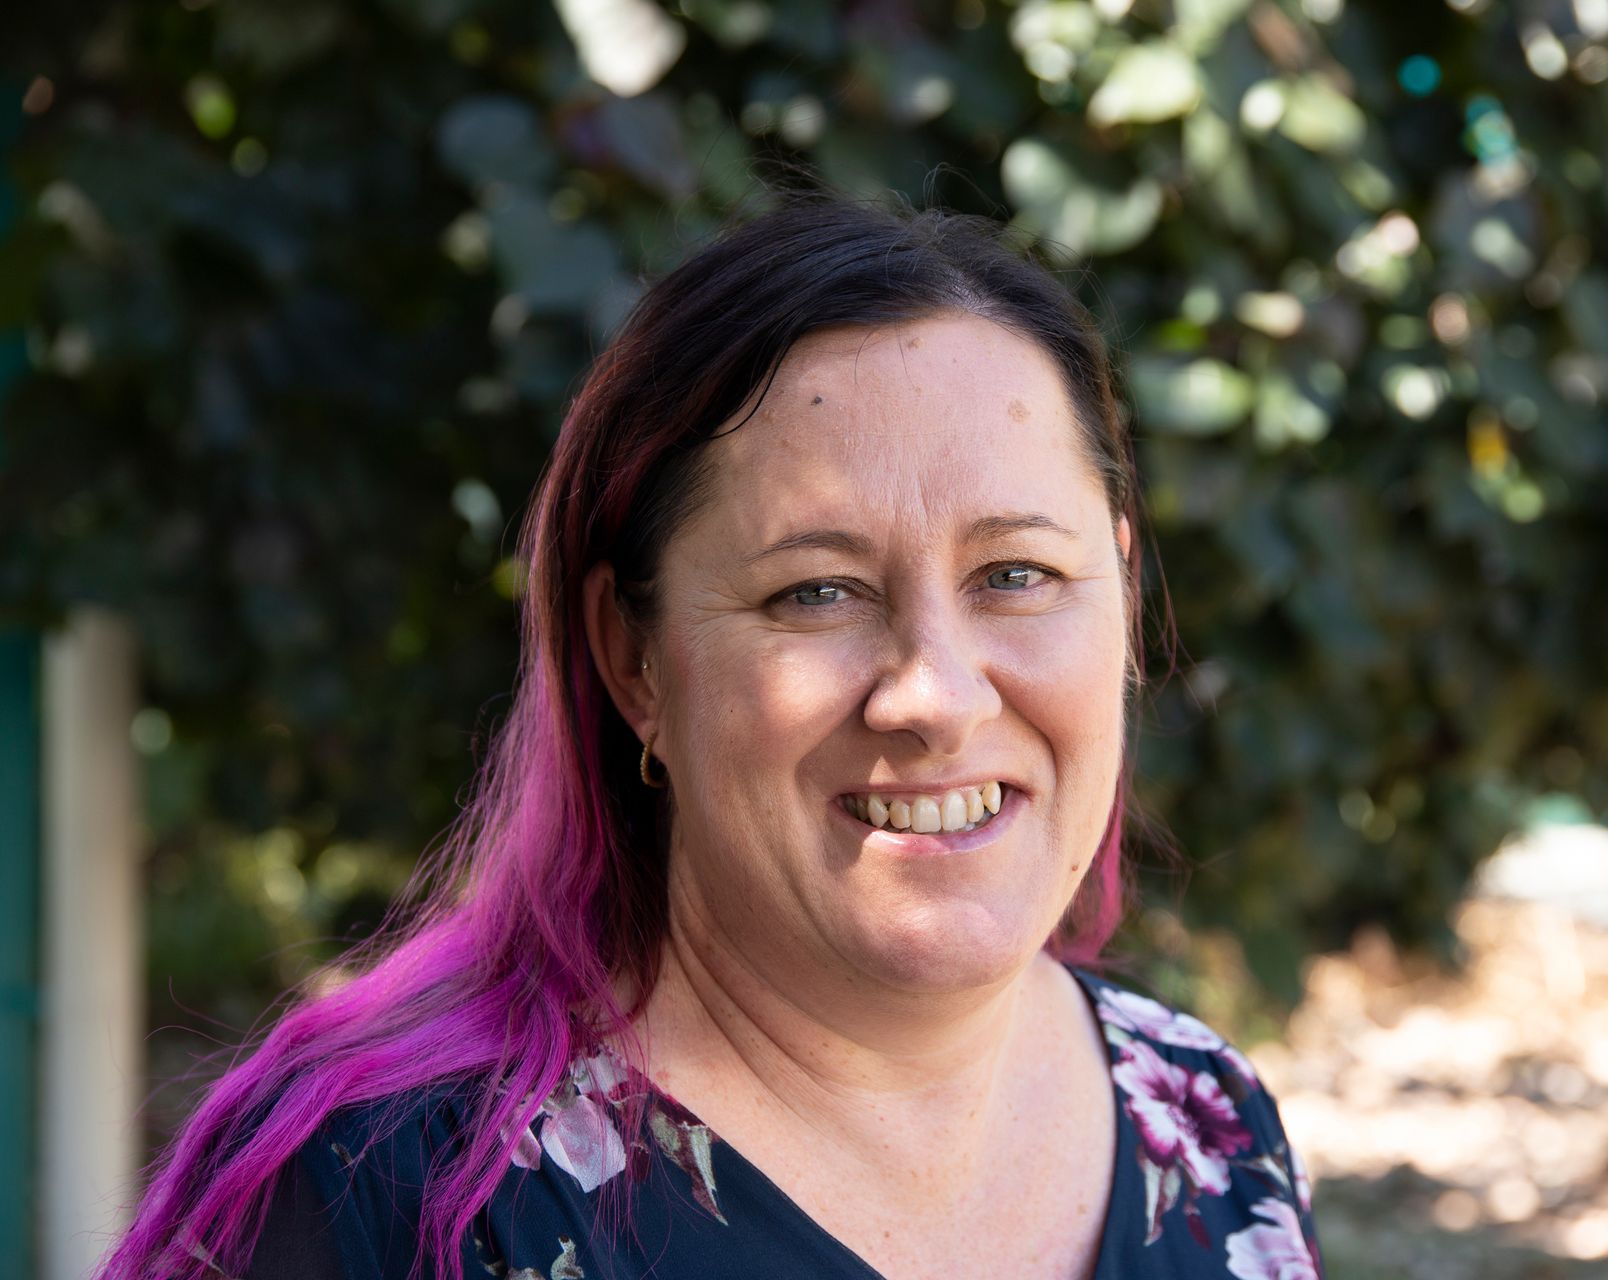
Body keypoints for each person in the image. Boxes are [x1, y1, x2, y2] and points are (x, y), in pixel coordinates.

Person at [105, 194, 1324, 1280]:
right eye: (816, 592)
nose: (935, 694)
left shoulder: (1208, 1124)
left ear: (1118, 585)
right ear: (632, 656)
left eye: (1016, 572)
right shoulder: (385, 1200)